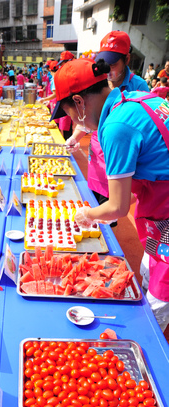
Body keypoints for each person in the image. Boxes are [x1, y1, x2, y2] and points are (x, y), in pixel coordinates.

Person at [53, 57, 169, 331]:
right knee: (147, 273)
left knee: (154, 307)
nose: (73, 122)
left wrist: (88, 214)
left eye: (69, 114)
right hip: (159, 209)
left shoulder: (117, 128)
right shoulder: (138, 99)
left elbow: (117, 207)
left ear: (79, 103)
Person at [65, 30, 149, 205]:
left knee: (113, 204)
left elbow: (143, 127)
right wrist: (74, 137)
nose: (108, 70)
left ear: (126, 60)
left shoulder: (138, 86)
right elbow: (88, 114)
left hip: (122, 155)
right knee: (93, 201)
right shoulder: (99, 80)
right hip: (97, 155)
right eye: (104, 63)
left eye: (112, 64)